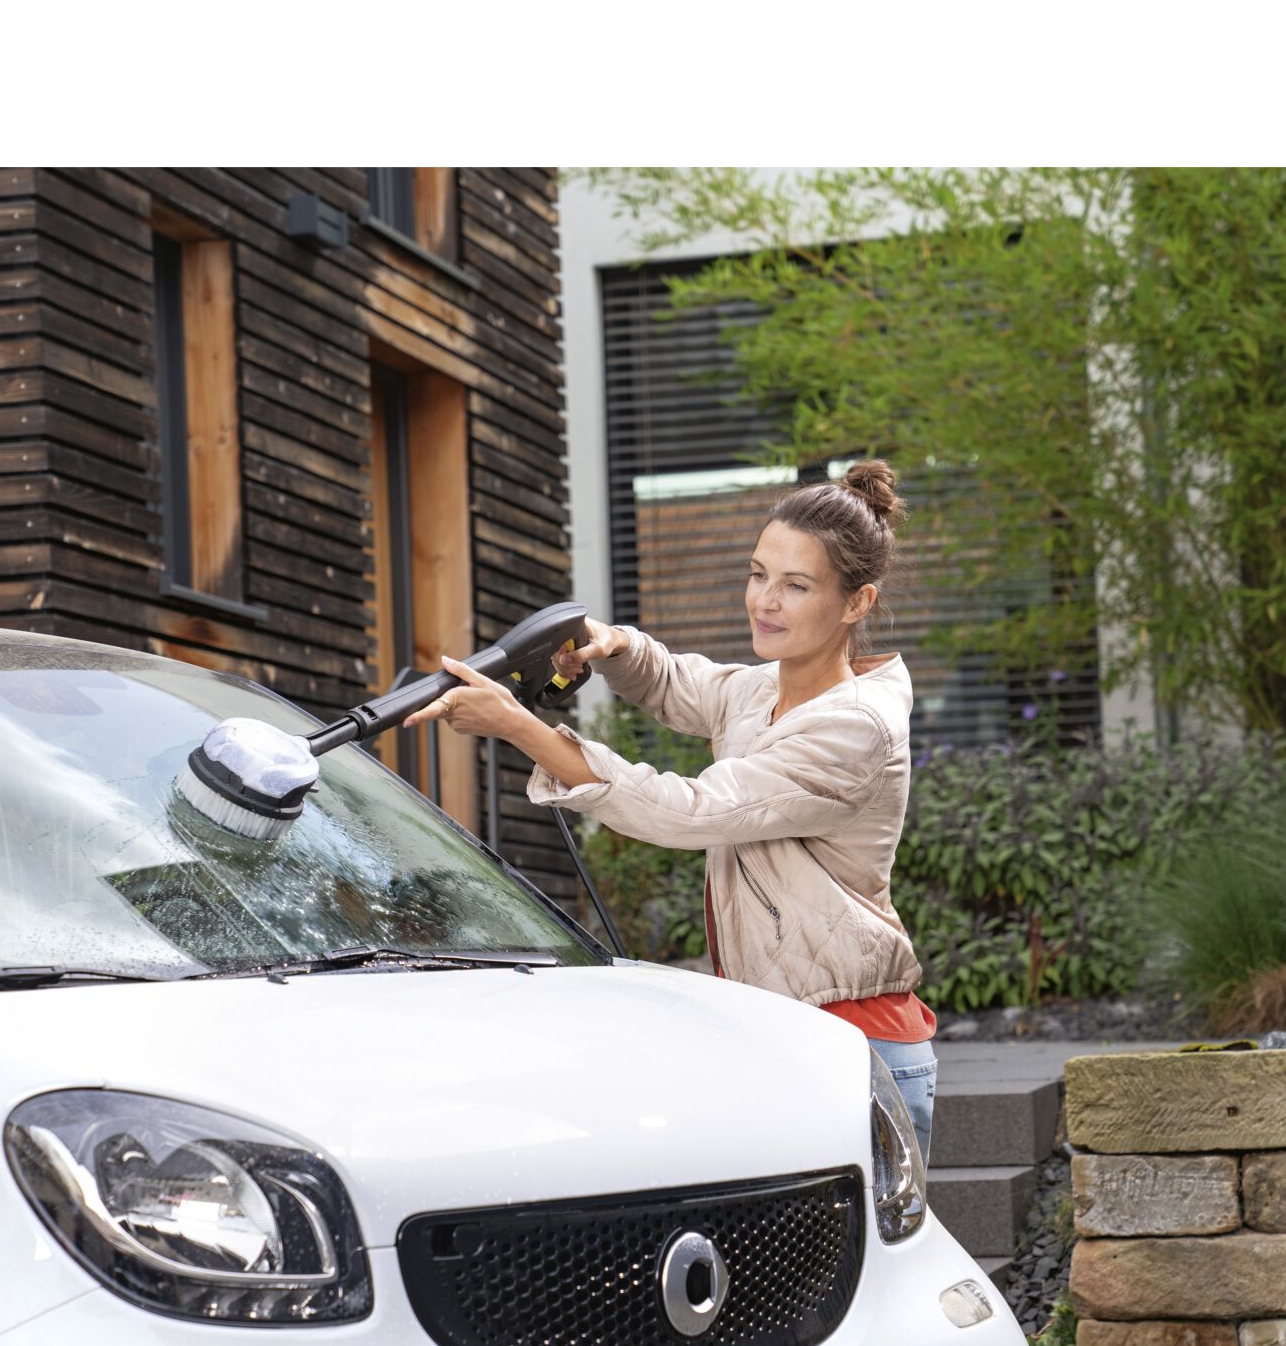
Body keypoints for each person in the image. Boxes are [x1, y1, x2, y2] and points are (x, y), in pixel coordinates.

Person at [403, 459, 940, 1161]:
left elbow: (687, 810)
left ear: (856, 603)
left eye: (796, 585)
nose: (765, 601)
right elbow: (678, 683)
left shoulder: (853, 727)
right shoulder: (764, 690)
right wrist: (610, 642)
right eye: (758, 574)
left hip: (854, 1042)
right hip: (786, 1031)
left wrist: (519, 726)